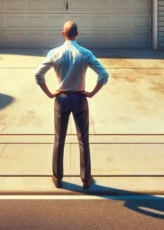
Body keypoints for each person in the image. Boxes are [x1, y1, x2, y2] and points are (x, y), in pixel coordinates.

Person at [34, 21, 109, 190]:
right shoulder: (85, 53)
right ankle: (85, 179)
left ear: (63, 33)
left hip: (61, 98)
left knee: (59, 139)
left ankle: (58, 178)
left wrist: (49, 93)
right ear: (77, 34)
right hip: (80, 99)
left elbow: (38, 74)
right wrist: (91, 93)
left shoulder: (55, 53)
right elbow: (103, 75)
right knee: (83, 139)